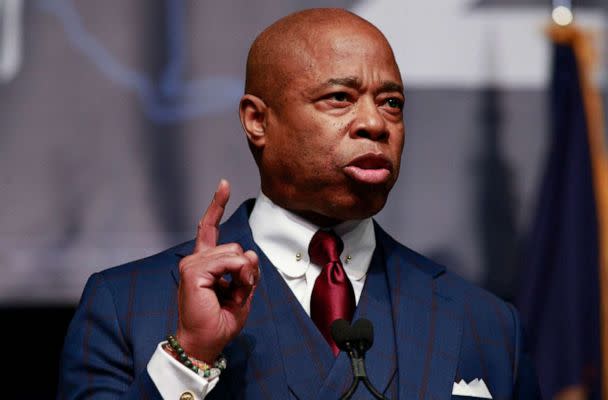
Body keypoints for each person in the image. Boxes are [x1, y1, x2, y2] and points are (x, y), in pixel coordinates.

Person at [58, 8, 540, 400]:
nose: (375, 123)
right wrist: (190, 357)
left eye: (391, 102)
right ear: (257, 120)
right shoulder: (127, 305)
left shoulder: (487, 323)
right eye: (339, 98)